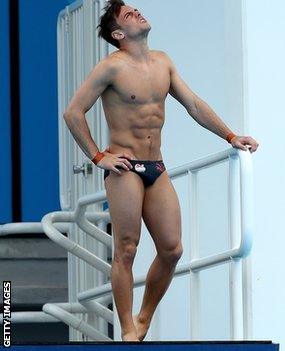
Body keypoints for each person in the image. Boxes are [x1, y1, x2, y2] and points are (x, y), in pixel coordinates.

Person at [62, 0, 259, 342]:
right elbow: (73, 113)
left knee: (172, 249)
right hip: (125, 168)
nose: (137, 12)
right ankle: (126, 330)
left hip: (156, 166)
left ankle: (143, 319)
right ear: (119, 33)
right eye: (128, 14)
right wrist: (97, 157)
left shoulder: (163, 61)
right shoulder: (111, 67)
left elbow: (194, 104)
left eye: (135, 9)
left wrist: (231, 135)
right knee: (127, 249)